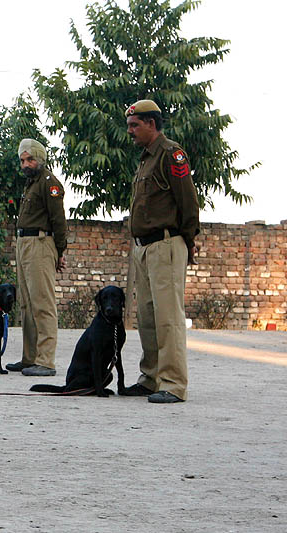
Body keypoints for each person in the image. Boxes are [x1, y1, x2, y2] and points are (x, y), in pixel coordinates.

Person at [119, 99, 200, 403]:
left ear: (151, 124)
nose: (130, 131)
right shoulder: (146, 159)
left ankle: (173, 383)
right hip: (144, 247)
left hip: (166, 244)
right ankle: (151, 378)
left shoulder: (170, 154)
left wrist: (188, 240)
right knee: (148, 318)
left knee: (168, 318)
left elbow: (188, 202)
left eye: (134, 125)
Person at [6, 139, 66, 377]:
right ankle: (29, 357)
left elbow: (58, 220)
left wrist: (59, 251)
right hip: (25, 243)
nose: (25, 164)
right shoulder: (31, 184)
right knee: (26, 304)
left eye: (30, 159)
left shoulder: (49, 183)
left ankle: (45, 361)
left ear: (40, 158)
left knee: (42, 303)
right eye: (22, 160)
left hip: (41, 243)